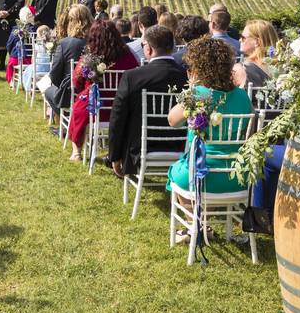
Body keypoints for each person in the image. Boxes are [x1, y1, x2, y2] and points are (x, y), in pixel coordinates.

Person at [166, 38, 253, 199]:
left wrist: (192, 90)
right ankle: (201, 222)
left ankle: (195, 222)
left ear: (198, 68)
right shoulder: (243, 96)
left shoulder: (198, 93)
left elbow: (172, 121)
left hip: (199, 175)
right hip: (236, 176)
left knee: (177, 173)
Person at [109, 25, 189, 177]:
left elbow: (117, 117)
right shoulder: (186, 76)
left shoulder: (132, 77)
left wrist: (115, 155)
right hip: (179, 145)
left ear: (149, 49)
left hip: (139, 149)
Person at [67, 20, 140, 161]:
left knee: (78, 108)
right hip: (121, 106)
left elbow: (76, 81)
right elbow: (136, 74)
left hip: (94, 107)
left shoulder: (88, 58)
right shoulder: (128, 56)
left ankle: (76, 151)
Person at [44, 5, 92, 120]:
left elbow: (54, 74)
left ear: (72, 22)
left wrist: (64, 85)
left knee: (48, 91)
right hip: (93, 93)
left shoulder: (65, 43)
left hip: (71, 92)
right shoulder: (96, 41)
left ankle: (68, 124)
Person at [233, 20, 279, 88]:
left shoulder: (242, 69)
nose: (239, 40)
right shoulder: (282, 67)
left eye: (243, 38)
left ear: (257, 42)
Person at [5, 7, 37, 85]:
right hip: (31, 60)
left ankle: (12, 81)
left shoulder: (15, 29)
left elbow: (9, 44)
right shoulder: (35, 30)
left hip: (16, 59)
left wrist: (11, 53)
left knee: (11, 60)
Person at [22, 25, 53, 92]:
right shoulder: (51, 44)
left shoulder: (37, 45)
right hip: (49, 68)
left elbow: (33, 57)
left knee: (27, 71)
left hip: (38, 68)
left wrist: (32, 64)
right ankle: (45, 87)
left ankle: (29, 87)